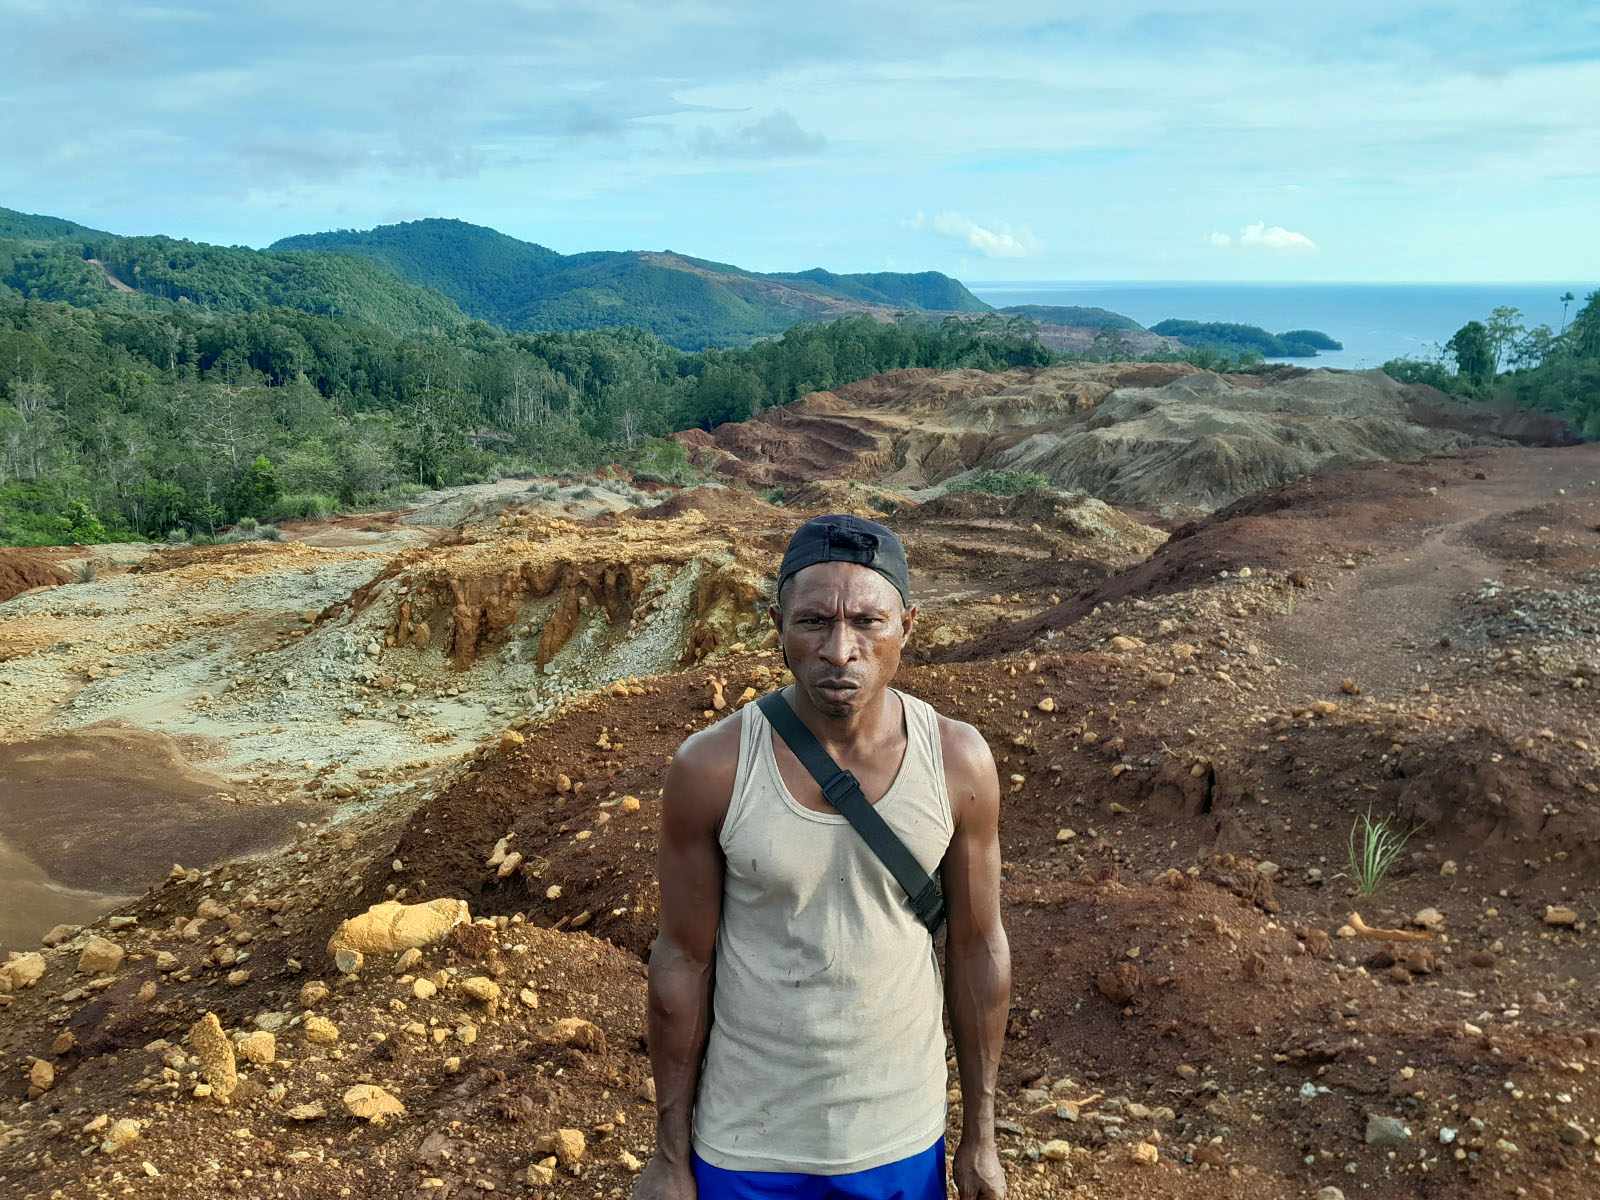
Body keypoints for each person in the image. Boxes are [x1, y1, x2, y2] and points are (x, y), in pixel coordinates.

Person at [634, 514, 1011, 1200]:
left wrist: (980, 1136)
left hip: (899, 1136)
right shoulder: (713, 767)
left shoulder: (957, 761)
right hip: (748, 1142)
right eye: (814, 621)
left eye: (868, 621)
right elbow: (682, 960)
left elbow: (978, 947)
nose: (841, 649)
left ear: (908, 626)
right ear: (778, 627)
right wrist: (669, 1156)